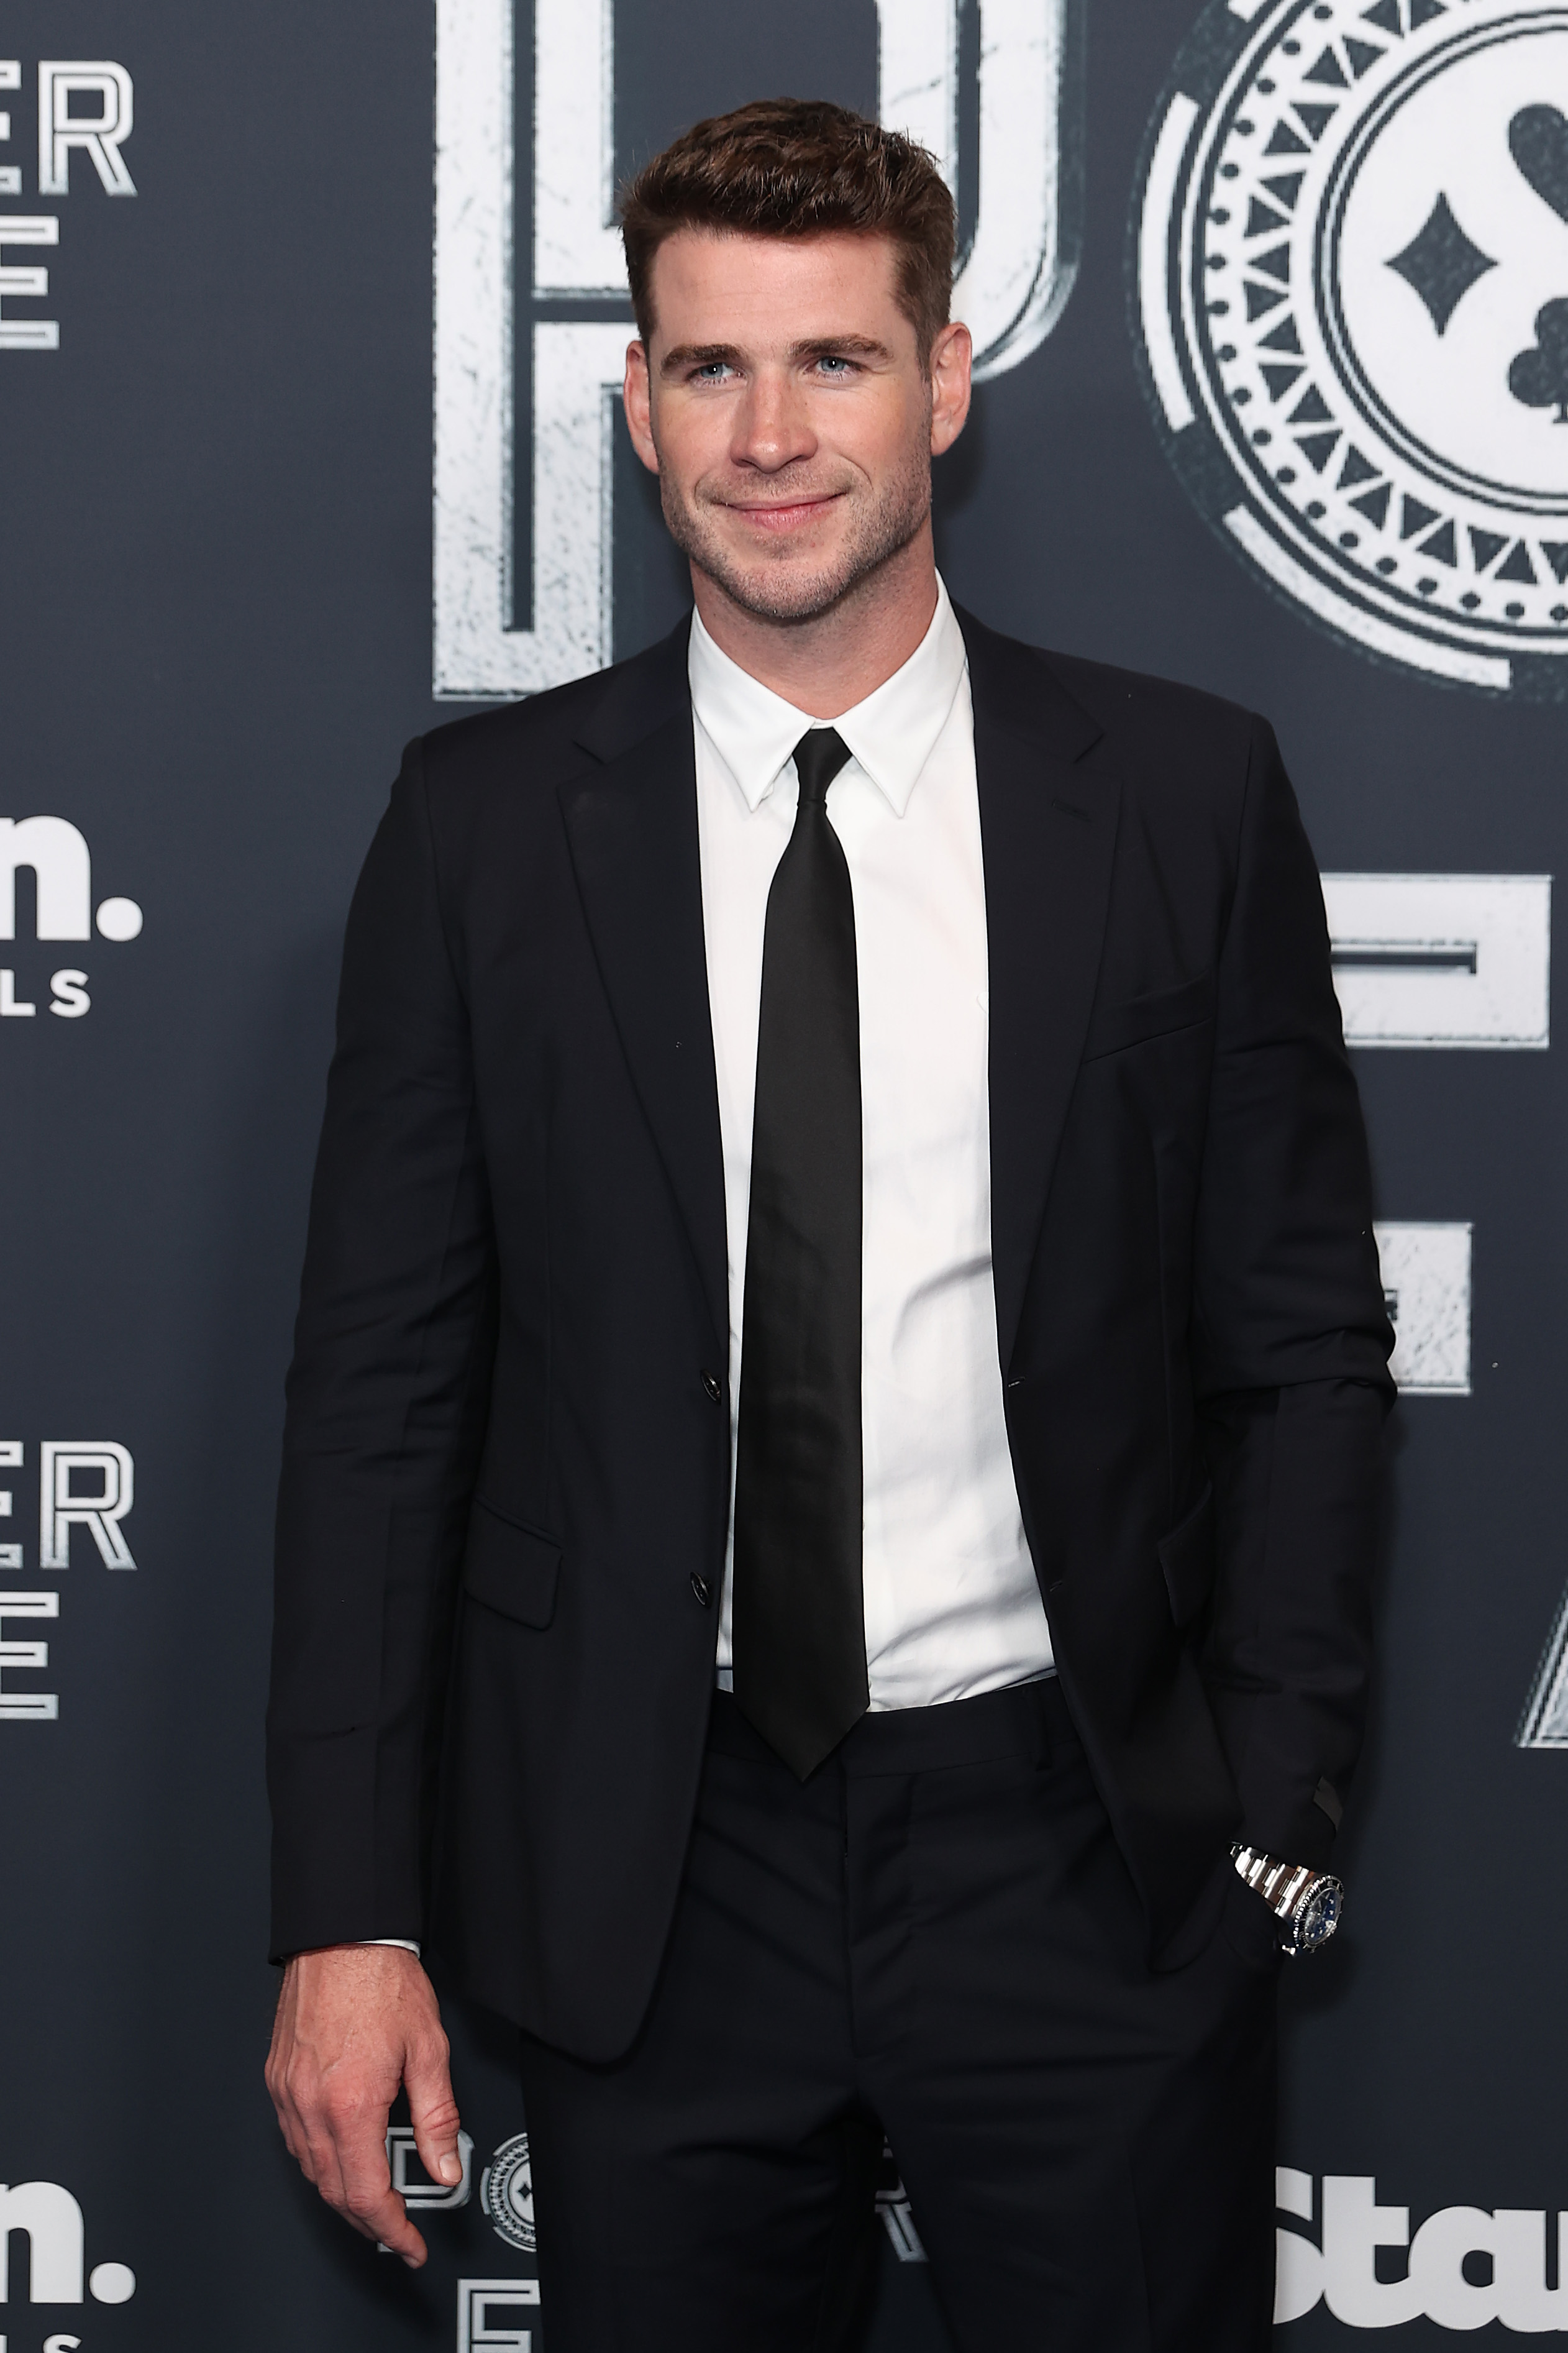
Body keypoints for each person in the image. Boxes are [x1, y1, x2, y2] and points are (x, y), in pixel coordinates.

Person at [264, 96, 1393, 2353]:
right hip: (644, 1864)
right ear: (635, 403)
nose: (770, 436)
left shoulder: (1178, 795)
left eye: (835, 363)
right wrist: (348, 1913)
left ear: (945, 382)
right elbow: (383, 1398)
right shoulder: (484, 830)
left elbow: (1296, 1344)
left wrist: (1267, 1803)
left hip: (1077, 1844)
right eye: (709, 369)